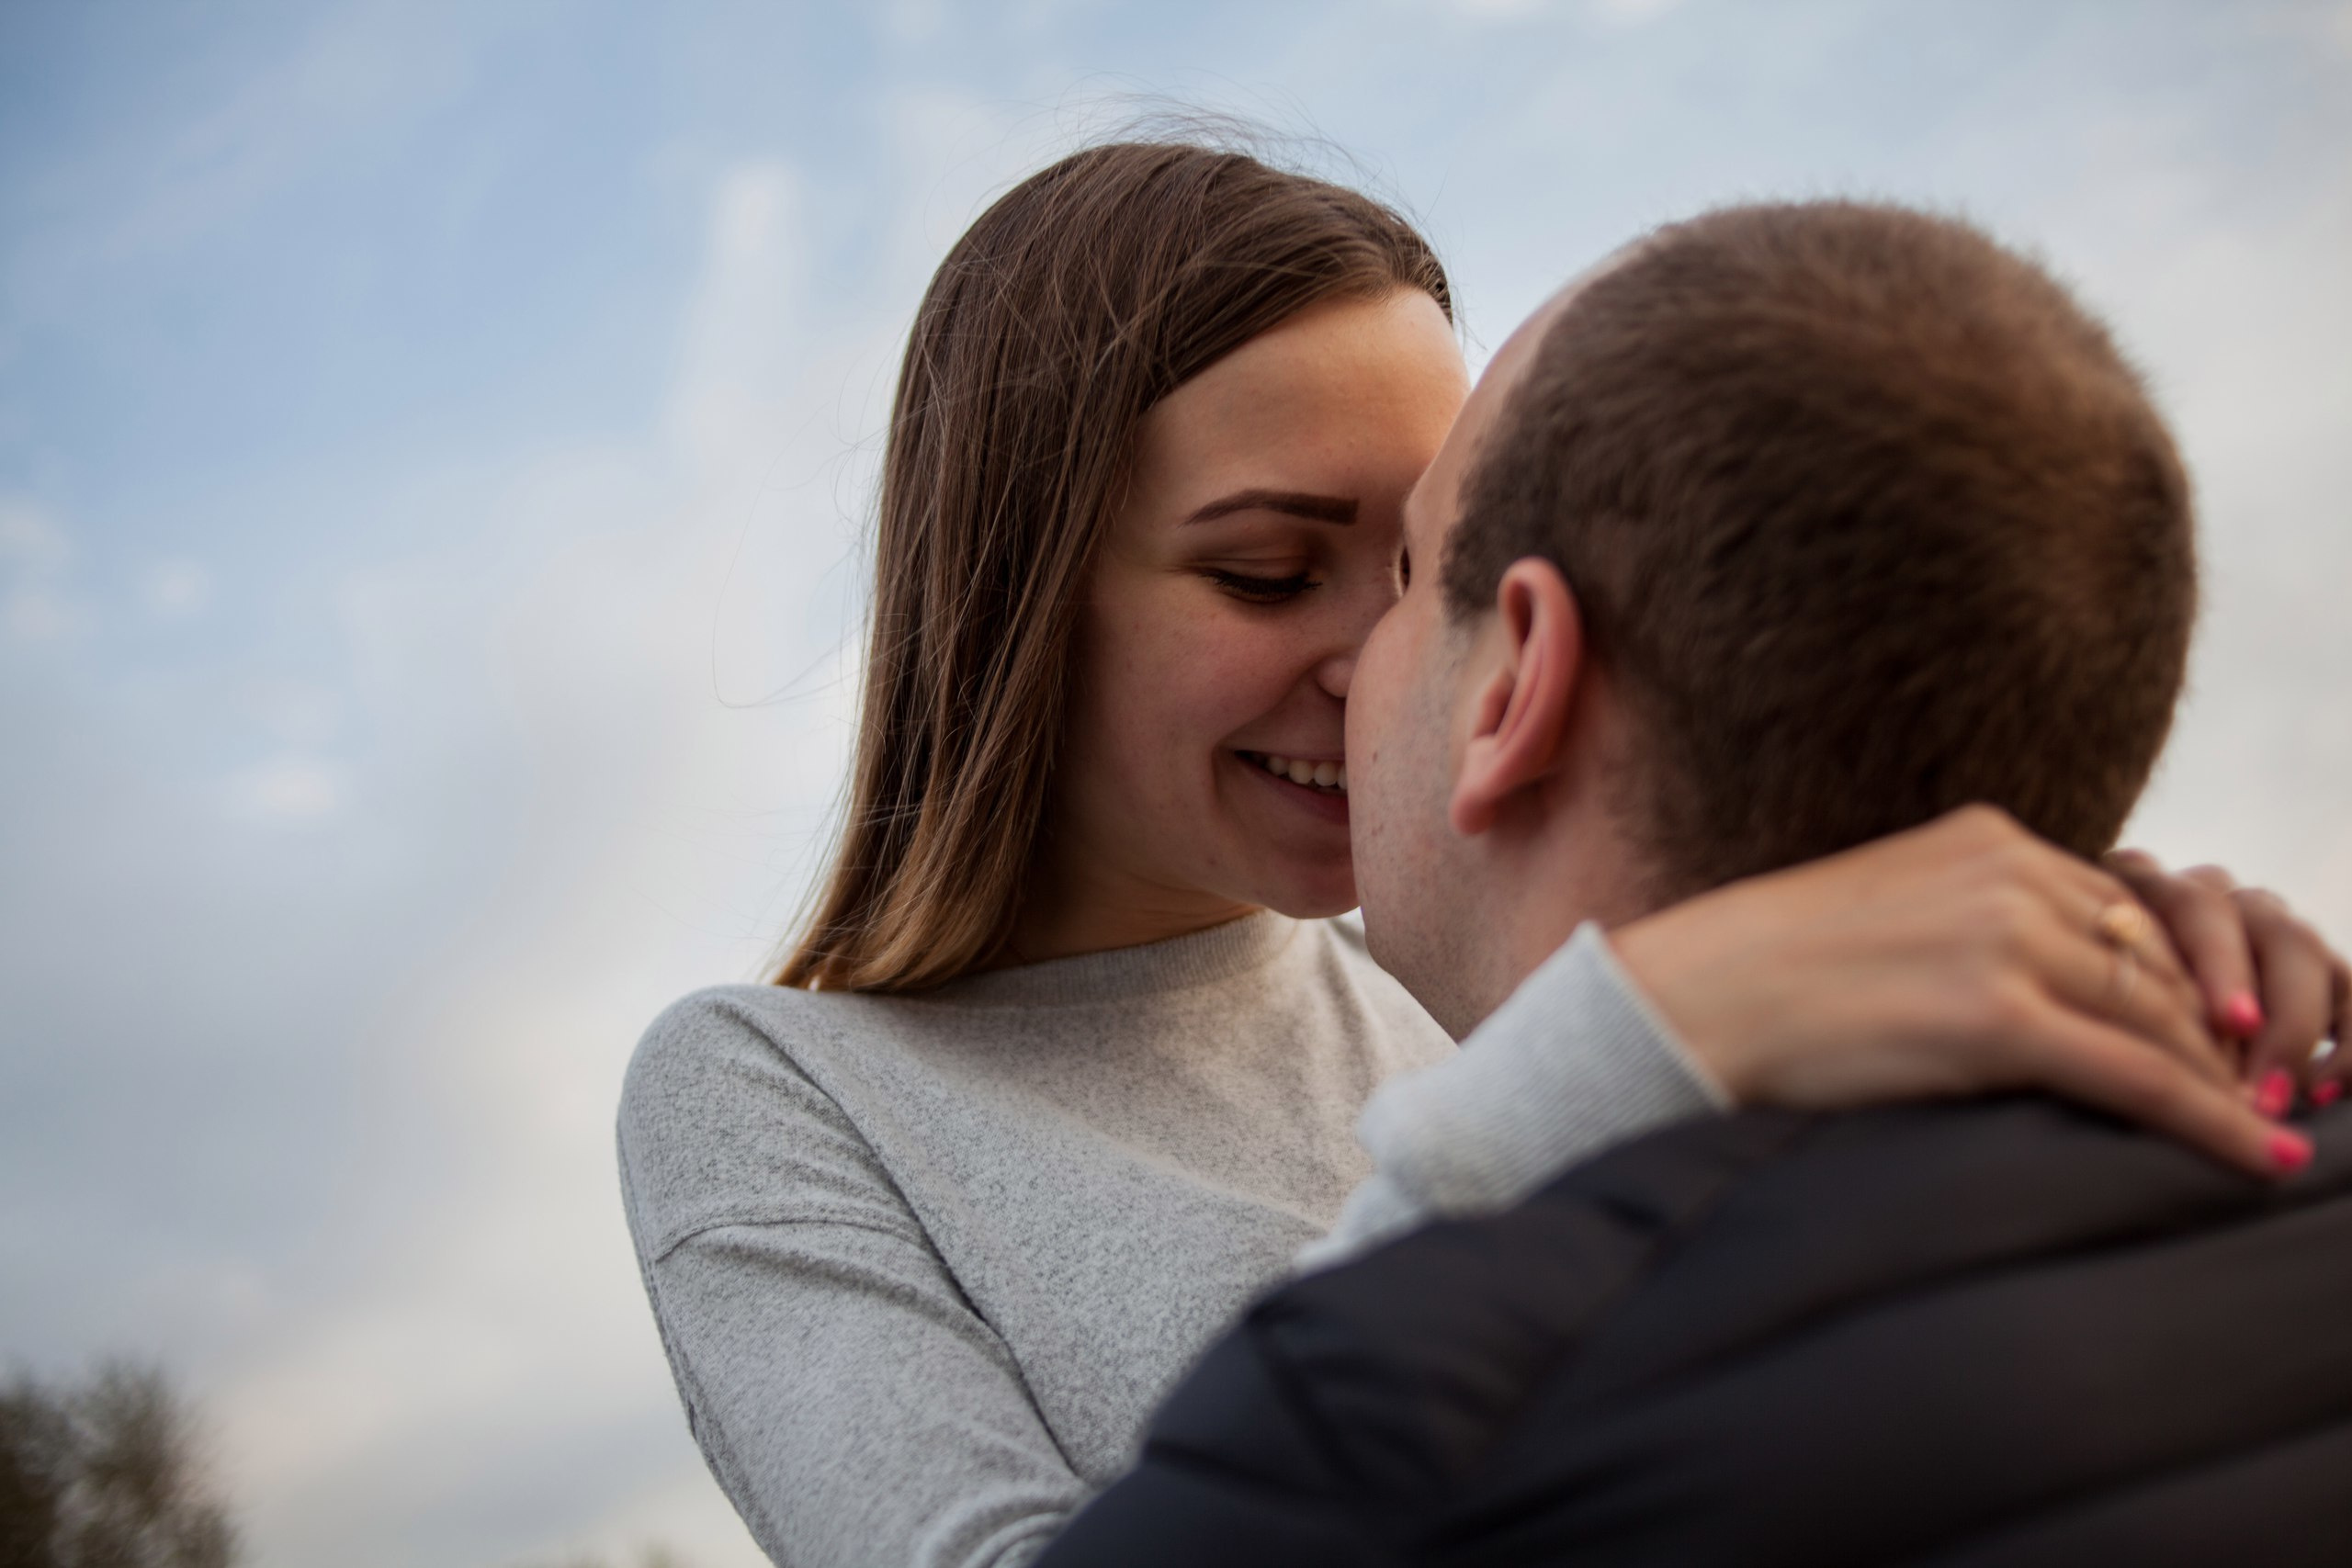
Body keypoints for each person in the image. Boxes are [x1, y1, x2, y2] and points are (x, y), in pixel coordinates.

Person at [614, 144, 2347, 1568]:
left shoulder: (1460, 957)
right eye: (1272, 571)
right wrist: (1635, 1036)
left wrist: (2089, 930)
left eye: (1424, 563)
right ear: (1013, 601)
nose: (1389, 668)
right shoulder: (771, 1090)